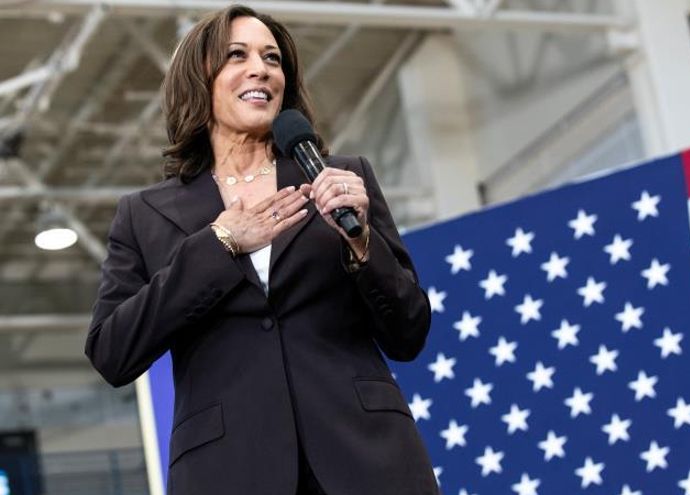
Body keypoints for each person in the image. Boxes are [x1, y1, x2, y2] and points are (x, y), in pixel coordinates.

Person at [85, 5, 438, 494]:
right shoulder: (144, 214)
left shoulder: (339, 179)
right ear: (198, 79)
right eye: (237, 55)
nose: (261, 68)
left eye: (272, 58)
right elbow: (111, 352)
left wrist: (361, 243)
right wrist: (219, 243)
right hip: (229, 470)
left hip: (366, 460)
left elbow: (409, 332)